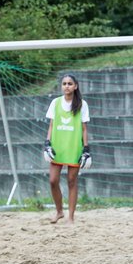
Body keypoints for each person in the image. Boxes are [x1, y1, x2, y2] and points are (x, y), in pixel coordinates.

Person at [43, 74, 91, 224]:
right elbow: (51, 125)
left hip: (73, 148)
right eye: (64, 83)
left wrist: (86, 149)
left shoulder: (82, 104)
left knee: (72, 181)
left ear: (75, 86)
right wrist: (47, 143)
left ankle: (70, 216)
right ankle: (59, 212)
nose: (67, 86)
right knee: (53, 180)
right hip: (58, 148)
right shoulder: (55, 103)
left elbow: (84, 129)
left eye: (70, 83)